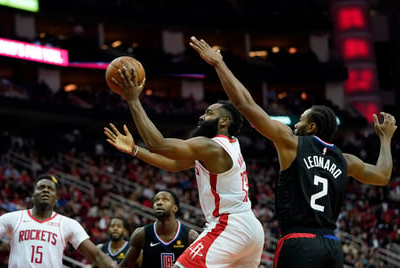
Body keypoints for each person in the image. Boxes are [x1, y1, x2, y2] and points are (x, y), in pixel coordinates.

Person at [189, 36, 398, 268]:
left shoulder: (292, 143)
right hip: (331, 244)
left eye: (300, 120)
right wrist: (386, 139)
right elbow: (382, 175)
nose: (295, 125)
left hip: (299, 242)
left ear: (311, 127)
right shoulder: (346, 160)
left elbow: (244, 104)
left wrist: (219, 64)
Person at [104, 74, 265, 266]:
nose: (201, 116)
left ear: (223, 122)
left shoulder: (210, 146)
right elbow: (173, 164)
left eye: (209, 113)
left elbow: (158, 144)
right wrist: (135, 150)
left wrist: (132, 99)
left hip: (231, 225)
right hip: (251, 228)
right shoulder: (229, 146)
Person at [0, 174, 117, 268]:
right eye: (41, 187)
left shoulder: (68, 224)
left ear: (56, 198)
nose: (45, 190)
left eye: (51, 189)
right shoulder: (12, 218)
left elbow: (96, 255)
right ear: (33, 195)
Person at [117, 190, 199, 268]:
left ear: (175, 208)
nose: (159, 203)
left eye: (165, 200)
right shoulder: (141, 234)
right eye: (156, 200)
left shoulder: (191, 237)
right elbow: (125, 266)